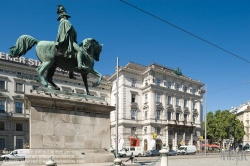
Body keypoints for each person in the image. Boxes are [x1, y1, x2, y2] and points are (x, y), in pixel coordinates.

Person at [56, 5, 88, 70]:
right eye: (62, 9)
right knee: (80, 50)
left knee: (73, 55)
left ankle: (71, 73)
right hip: (69, 41)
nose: (64, 10)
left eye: (63, 9)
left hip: (70, 40)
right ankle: (80, 65)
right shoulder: (66, 22)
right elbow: (64, 33)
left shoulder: (64, 22)